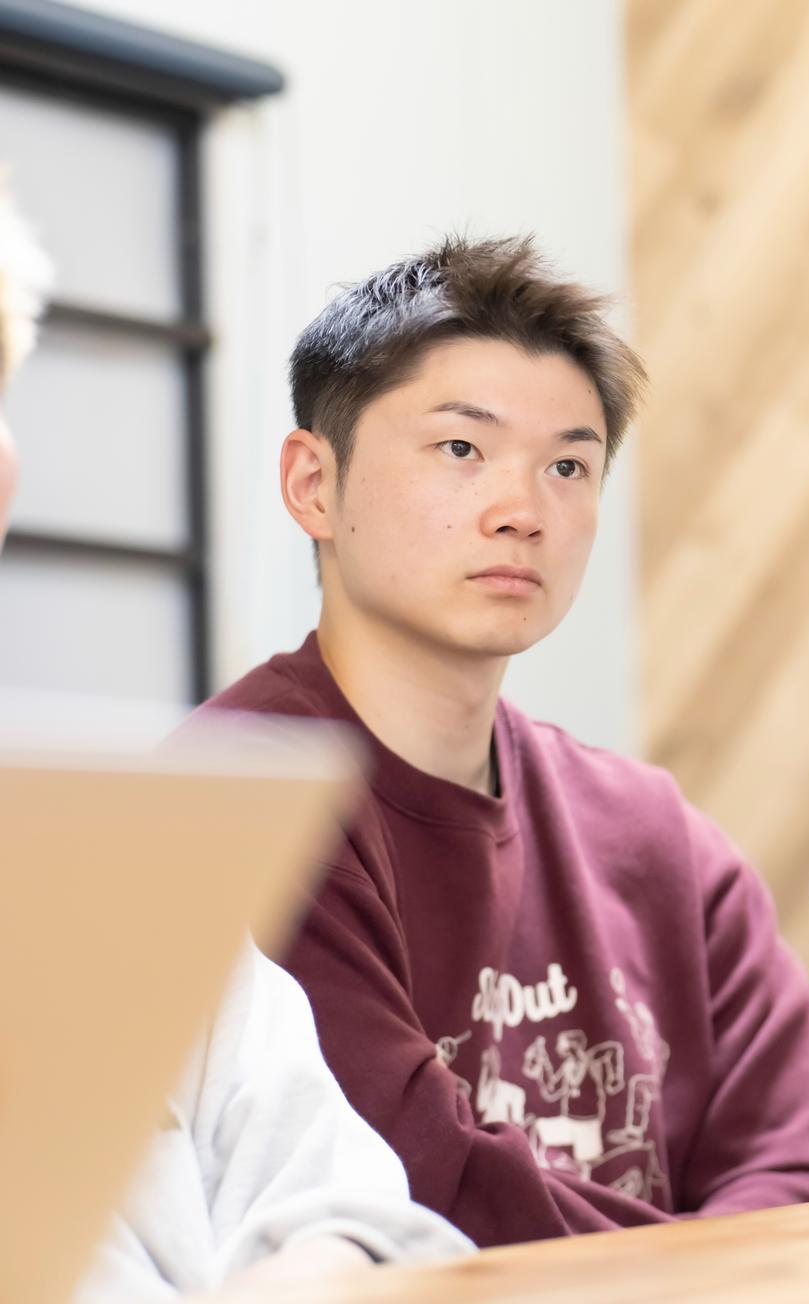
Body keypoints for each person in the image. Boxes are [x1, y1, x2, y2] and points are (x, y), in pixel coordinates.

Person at [193, 235, 809, 1248]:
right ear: (313, 484)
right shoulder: (231, 797)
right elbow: (414, 1197)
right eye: (460, 450)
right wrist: (724, 1262)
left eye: (567, 465)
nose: (522, 512)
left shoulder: (653, 832)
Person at [0, 180, 470, 1300]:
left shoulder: (97, 850)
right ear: (314, 485)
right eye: (459, 449)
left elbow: (348, 1201)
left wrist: (312, 1270)